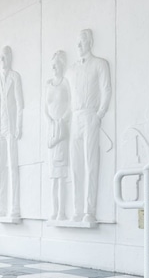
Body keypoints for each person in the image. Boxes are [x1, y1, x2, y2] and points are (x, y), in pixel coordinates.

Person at [70, 28, 112, 224]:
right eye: (77, 42)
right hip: (75, 118)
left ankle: (89, 210)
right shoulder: (72, 69)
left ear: (90, 43)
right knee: (75, 166)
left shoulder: (99, 64)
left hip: (90, 115)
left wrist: (99, 114)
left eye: (82, 41)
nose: (78, 45)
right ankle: (77, 209)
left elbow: (106, 89)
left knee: (90, 164)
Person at [0, 45, 23, 219]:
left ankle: (14, 206)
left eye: (4, 57)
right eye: (0, 57)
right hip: (0, 129)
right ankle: (2, 206)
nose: (2, 60)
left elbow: (20, 103)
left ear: (10, 58)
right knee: (1, 169)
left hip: (11, 127)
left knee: (13, 167)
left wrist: (18, 126)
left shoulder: (15, 77)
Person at [45, 51, 71, 221]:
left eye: (56, 64)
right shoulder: (48, 85)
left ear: (62, 65)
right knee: (53, 176)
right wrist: (50, 122)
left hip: (62, 130)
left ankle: (62, 211)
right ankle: (54, 210)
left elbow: (71, 104)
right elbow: (45, 108)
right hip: (51, 130)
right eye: (52, 65)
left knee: (61, 176)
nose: (54, 68)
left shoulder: (66, 83)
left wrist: (62, 121)